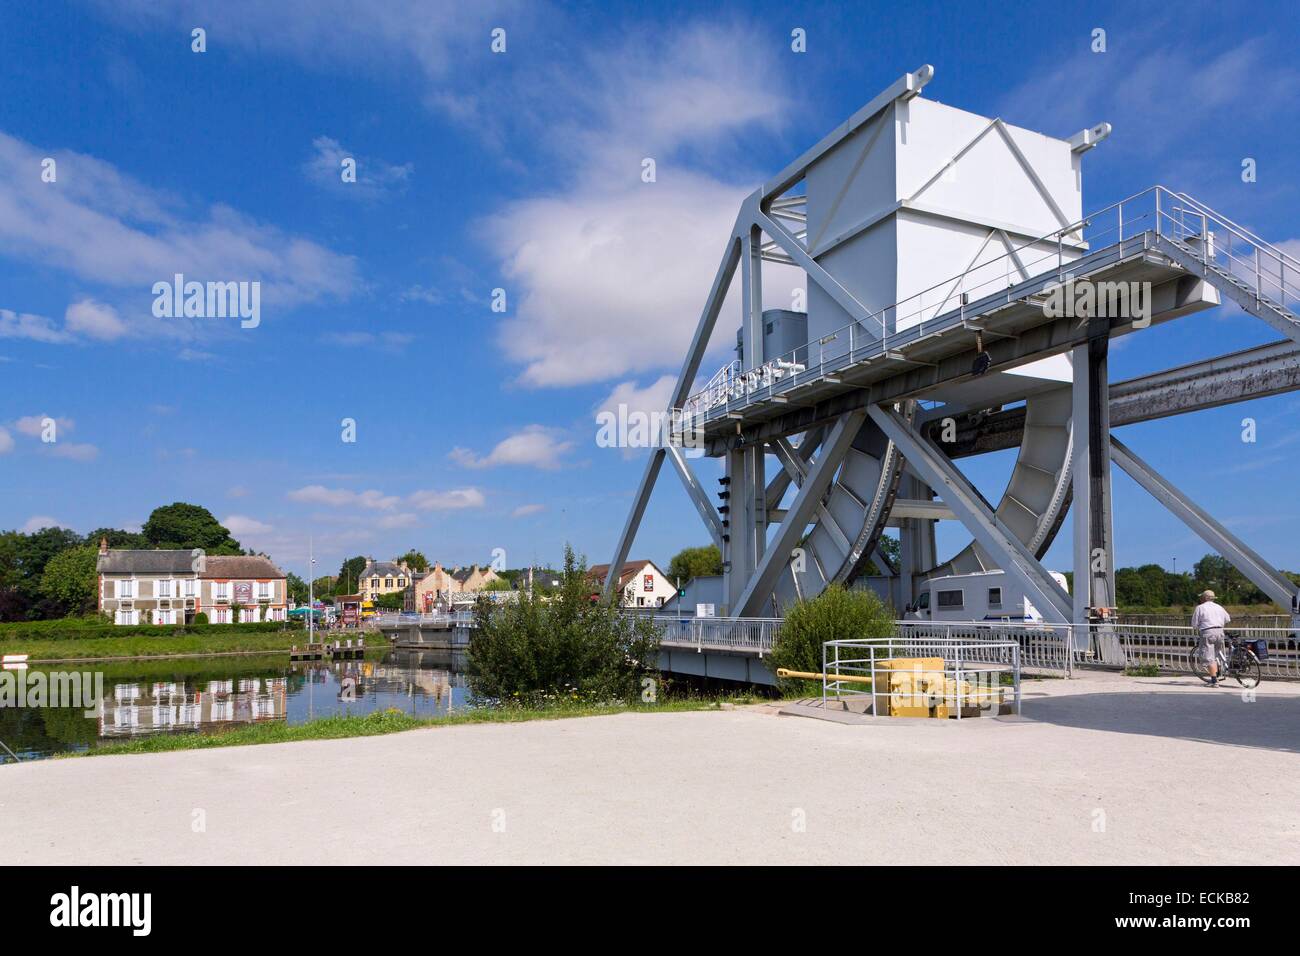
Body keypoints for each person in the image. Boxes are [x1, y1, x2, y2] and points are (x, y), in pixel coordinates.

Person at [1190, 589, 1231, 685]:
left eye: (1201, 597)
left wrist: (1199, 626)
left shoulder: (1200, 608)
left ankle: (1214, 681)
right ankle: (1216, 675)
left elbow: (1194, 624)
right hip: (1220, 631)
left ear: (1203, 598)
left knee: (1208, 657)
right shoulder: (1219, 607)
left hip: (1208, 632)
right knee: (1215, 655)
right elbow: (1228, 619)